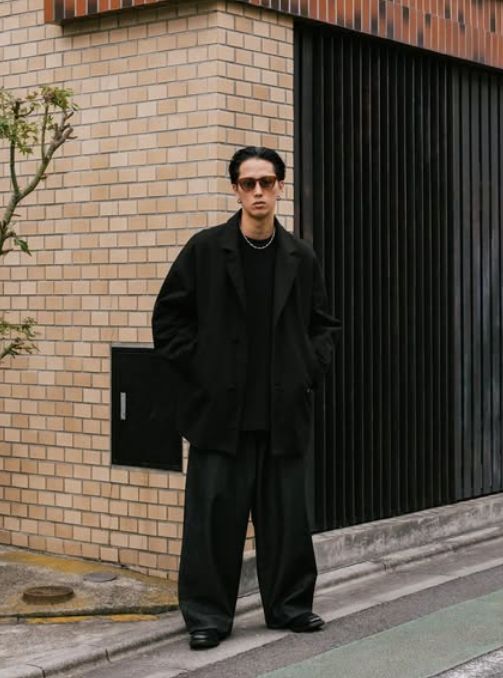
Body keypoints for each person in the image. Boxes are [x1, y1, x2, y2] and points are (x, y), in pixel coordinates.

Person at [152, 146, 341, 650]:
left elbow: (323, 326)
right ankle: (207, 618)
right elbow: (168, 320)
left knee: (287, 523)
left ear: (281, 186)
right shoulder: (205, 250)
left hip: (283, 415)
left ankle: (290, 607)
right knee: (212, 525)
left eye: (267, 182)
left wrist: (307, 371)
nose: (258, 192)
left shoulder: (300, 257)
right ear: (235, 189)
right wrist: (203, 372)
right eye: (248, 183)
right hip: (220, 418)